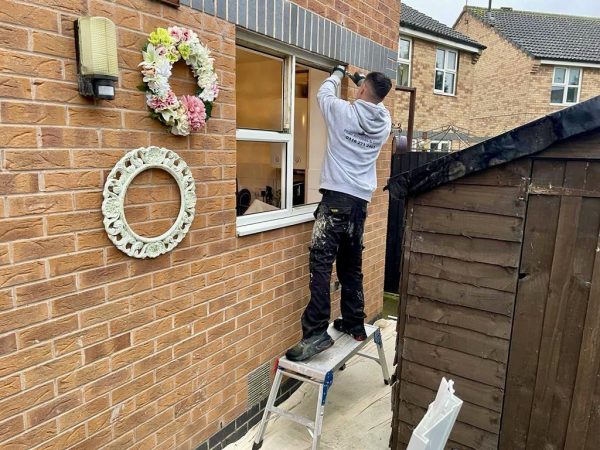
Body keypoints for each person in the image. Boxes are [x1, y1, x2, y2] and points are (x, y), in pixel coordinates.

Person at [286, 65, 392, 362]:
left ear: (360, 91)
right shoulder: (384, 121)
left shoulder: (341, 112)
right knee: (350, 263)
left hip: (335, 201)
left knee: (321, 264)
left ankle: (316, 333)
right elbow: (372, 95)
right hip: (360, 204)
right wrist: (358, 78)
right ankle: (354, 322)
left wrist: (336, 73)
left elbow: (323, 92)